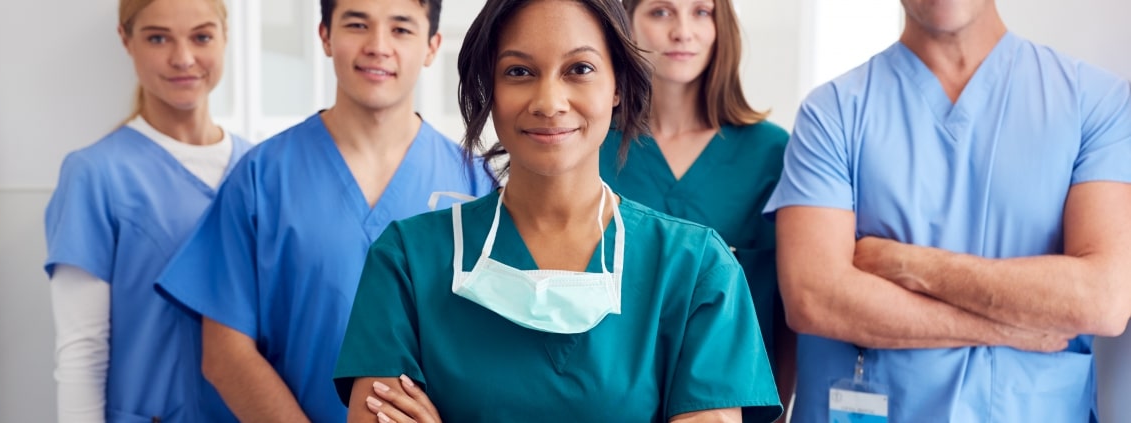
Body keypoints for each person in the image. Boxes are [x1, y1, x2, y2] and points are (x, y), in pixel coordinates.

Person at [333, 0, 782, 422]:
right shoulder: (407, 261)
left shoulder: (697, 268)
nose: (549, 102)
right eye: (519, 71)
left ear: (618, 87)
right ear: (489, 88)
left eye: (580, 69)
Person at [763, 0, 1131, 421]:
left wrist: (907, 264)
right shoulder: (831, 113)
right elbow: (815, 298)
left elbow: (1104, 299)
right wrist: (1009, 326)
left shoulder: (1094, 103)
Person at [154, 0, 494, 421]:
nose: (378, 46)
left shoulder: (476, 186)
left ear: (431, 46)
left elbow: (487, 355)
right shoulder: (262, 177)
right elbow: (225, 354)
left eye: (401, 29)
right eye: (357, 24)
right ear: (325, 37)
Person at [44, 0, 250, 421]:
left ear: (225, 37)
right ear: (126, 39)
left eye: (202, 37)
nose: (183, 58)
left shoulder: (259, 168)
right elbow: (82, 351)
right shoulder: (95, 175)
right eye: (158, 38)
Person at [600, 0, 795, 412]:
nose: (683, 31)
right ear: (626, 26)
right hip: (612, 402)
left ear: (721, 26)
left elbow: (787, 312)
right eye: (660, 12)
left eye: (701, 12)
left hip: (734, 402)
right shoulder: (593, 150)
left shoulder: (773, 154)